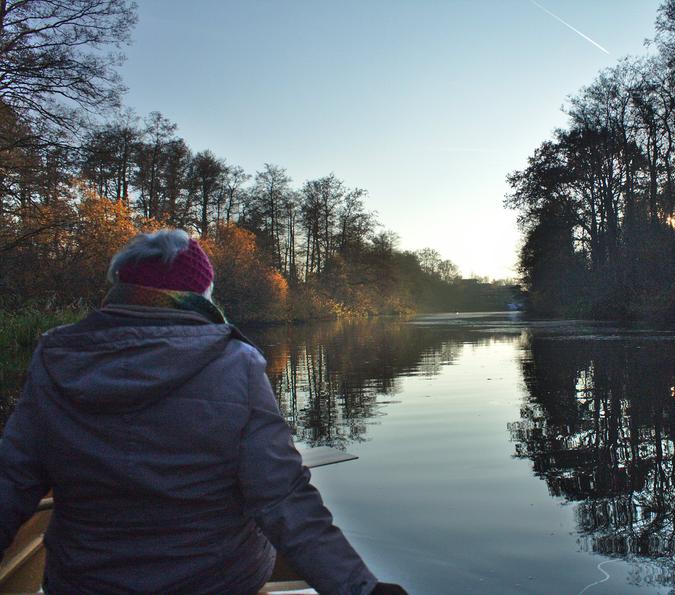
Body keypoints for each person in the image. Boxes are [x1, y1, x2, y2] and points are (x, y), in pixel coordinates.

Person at [0, 229, 408, 595]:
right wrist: (360, 590)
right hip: (216, 581)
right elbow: (280, 496)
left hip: (84, 582)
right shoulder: (237, 362)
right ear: (201, 295)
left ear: (119, 289)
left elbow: (12, 482)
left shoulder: (55, 356)